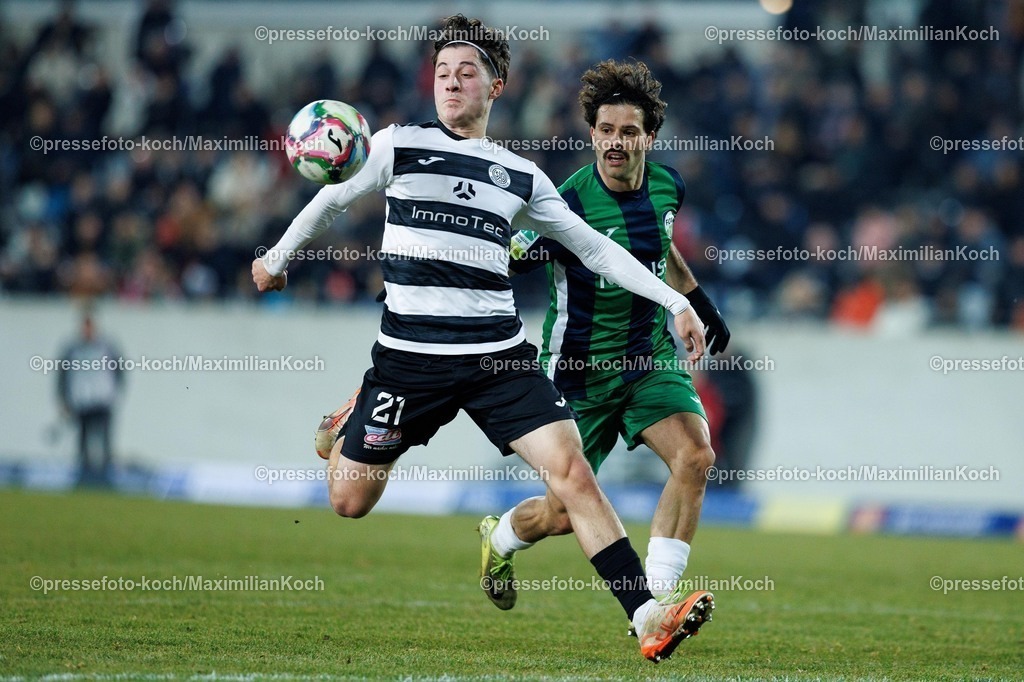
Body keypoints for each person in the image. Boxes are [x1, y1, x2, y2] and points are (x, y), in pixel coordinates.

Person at [254, 15, 712, 662]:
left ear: (495, 87)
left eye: (466, 73)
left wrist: (677, 302)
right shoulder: (395, 145)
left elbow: (597, 250)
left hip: (498, 358)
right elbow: (332, 199)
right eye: (442, 72)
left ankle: (646, 616)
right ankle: (356, 412)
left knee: (572, 474)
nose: (451, 82)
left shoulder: (521, 175)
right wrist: (276, 259)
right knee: (349, 501)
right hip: (409, 362)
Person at [482, 59, 730, 617]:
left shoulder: (668, 185)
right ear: (592, 133)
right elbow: (507, 255)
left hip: (648, 357)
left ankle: (659, 600)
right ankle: (499, 538)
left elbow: (660, 246)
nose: (616, 142)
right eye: (606, 130)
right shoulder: (564, 206)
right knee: (560, 515)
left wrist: (697, 299)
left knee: (696, 455)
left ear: (649, 137)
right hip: (579, 372)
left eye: (628, 131)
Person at [57, 309, 125, 487]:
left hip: (102, 401)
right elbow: (63, 376)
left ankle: (107, 478)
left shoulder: (107, 347)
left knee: (105, 441)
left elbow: (120, 371)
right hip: (82, 402)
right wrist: (64, 399)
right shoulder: (72, 350)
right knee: (83, 441)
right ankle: (84, 478)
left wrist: (114, 393)